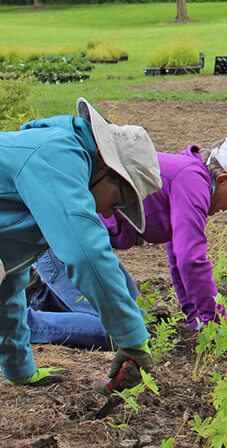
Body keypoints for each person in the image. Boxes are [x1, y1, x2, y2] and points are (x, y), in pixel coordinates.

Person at [25, 138, 227, 343]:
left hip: (84, 248)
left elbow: (178, 258)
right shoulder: (193, 182)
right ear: (222, 179)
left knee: (134, 311)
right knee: (119, 330)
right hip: (61, 245)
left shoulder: (189, 176)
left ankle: (40, 295)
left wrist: (197, 318)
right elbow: (191, 259)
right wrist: (218, 323)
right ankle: (18, 324)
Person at [0, 98, 161, 386]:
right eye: (119, 200)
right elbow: (87, 255)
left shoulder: (49, 175)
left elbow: (7, 282)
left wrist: (20, 370)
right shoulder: (58, 155)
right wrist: (133, 338)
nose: (110, 212)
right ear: (106, 167)